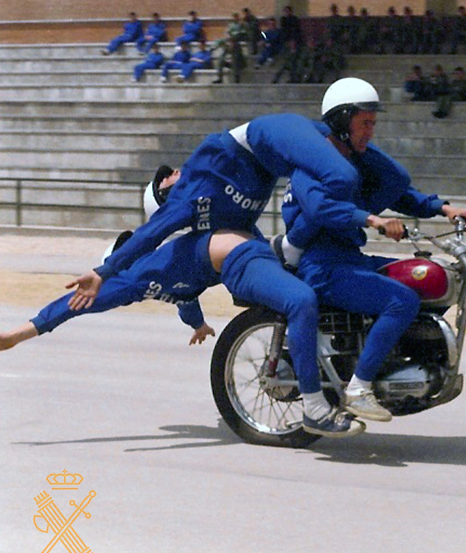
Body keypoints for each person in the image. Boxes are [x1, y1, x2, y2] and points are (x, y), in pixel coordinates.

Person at [66, 94, 422, 435]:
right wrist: (106, 272)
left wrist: (199, 324)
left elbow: (189, 294)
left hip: (276, 243)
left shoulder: (226, 206)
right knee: (323, 288)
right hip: (296, 253)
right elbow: (176, 281)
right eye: (165, 185)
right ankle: (343, 392)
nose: (171, 175)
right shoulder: (189, 228)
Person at [0, 166, 365, 438]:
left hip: (242, 254)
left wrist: (198, 325)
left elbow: (184, 300)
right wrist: (21, 333)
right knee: (300, 271)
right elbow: (77, 304)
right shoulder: (135, 276)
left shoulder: (175, 266)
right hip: (242, 255)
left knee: (308, 278)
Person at [272, 77, 466, 422]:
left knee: (421, 278)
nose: (371, 131)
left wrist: (443, 208)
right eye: (365, 122)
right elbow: (322, 210)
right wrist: (372, 220)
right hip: (321, 266)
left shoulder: (357, 165)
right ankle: (359, 388)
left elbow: (401, 195)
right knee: (401, 301)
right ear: (341, 121)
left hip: (350, 259)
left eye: (374, 123)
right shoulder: (309, 165)